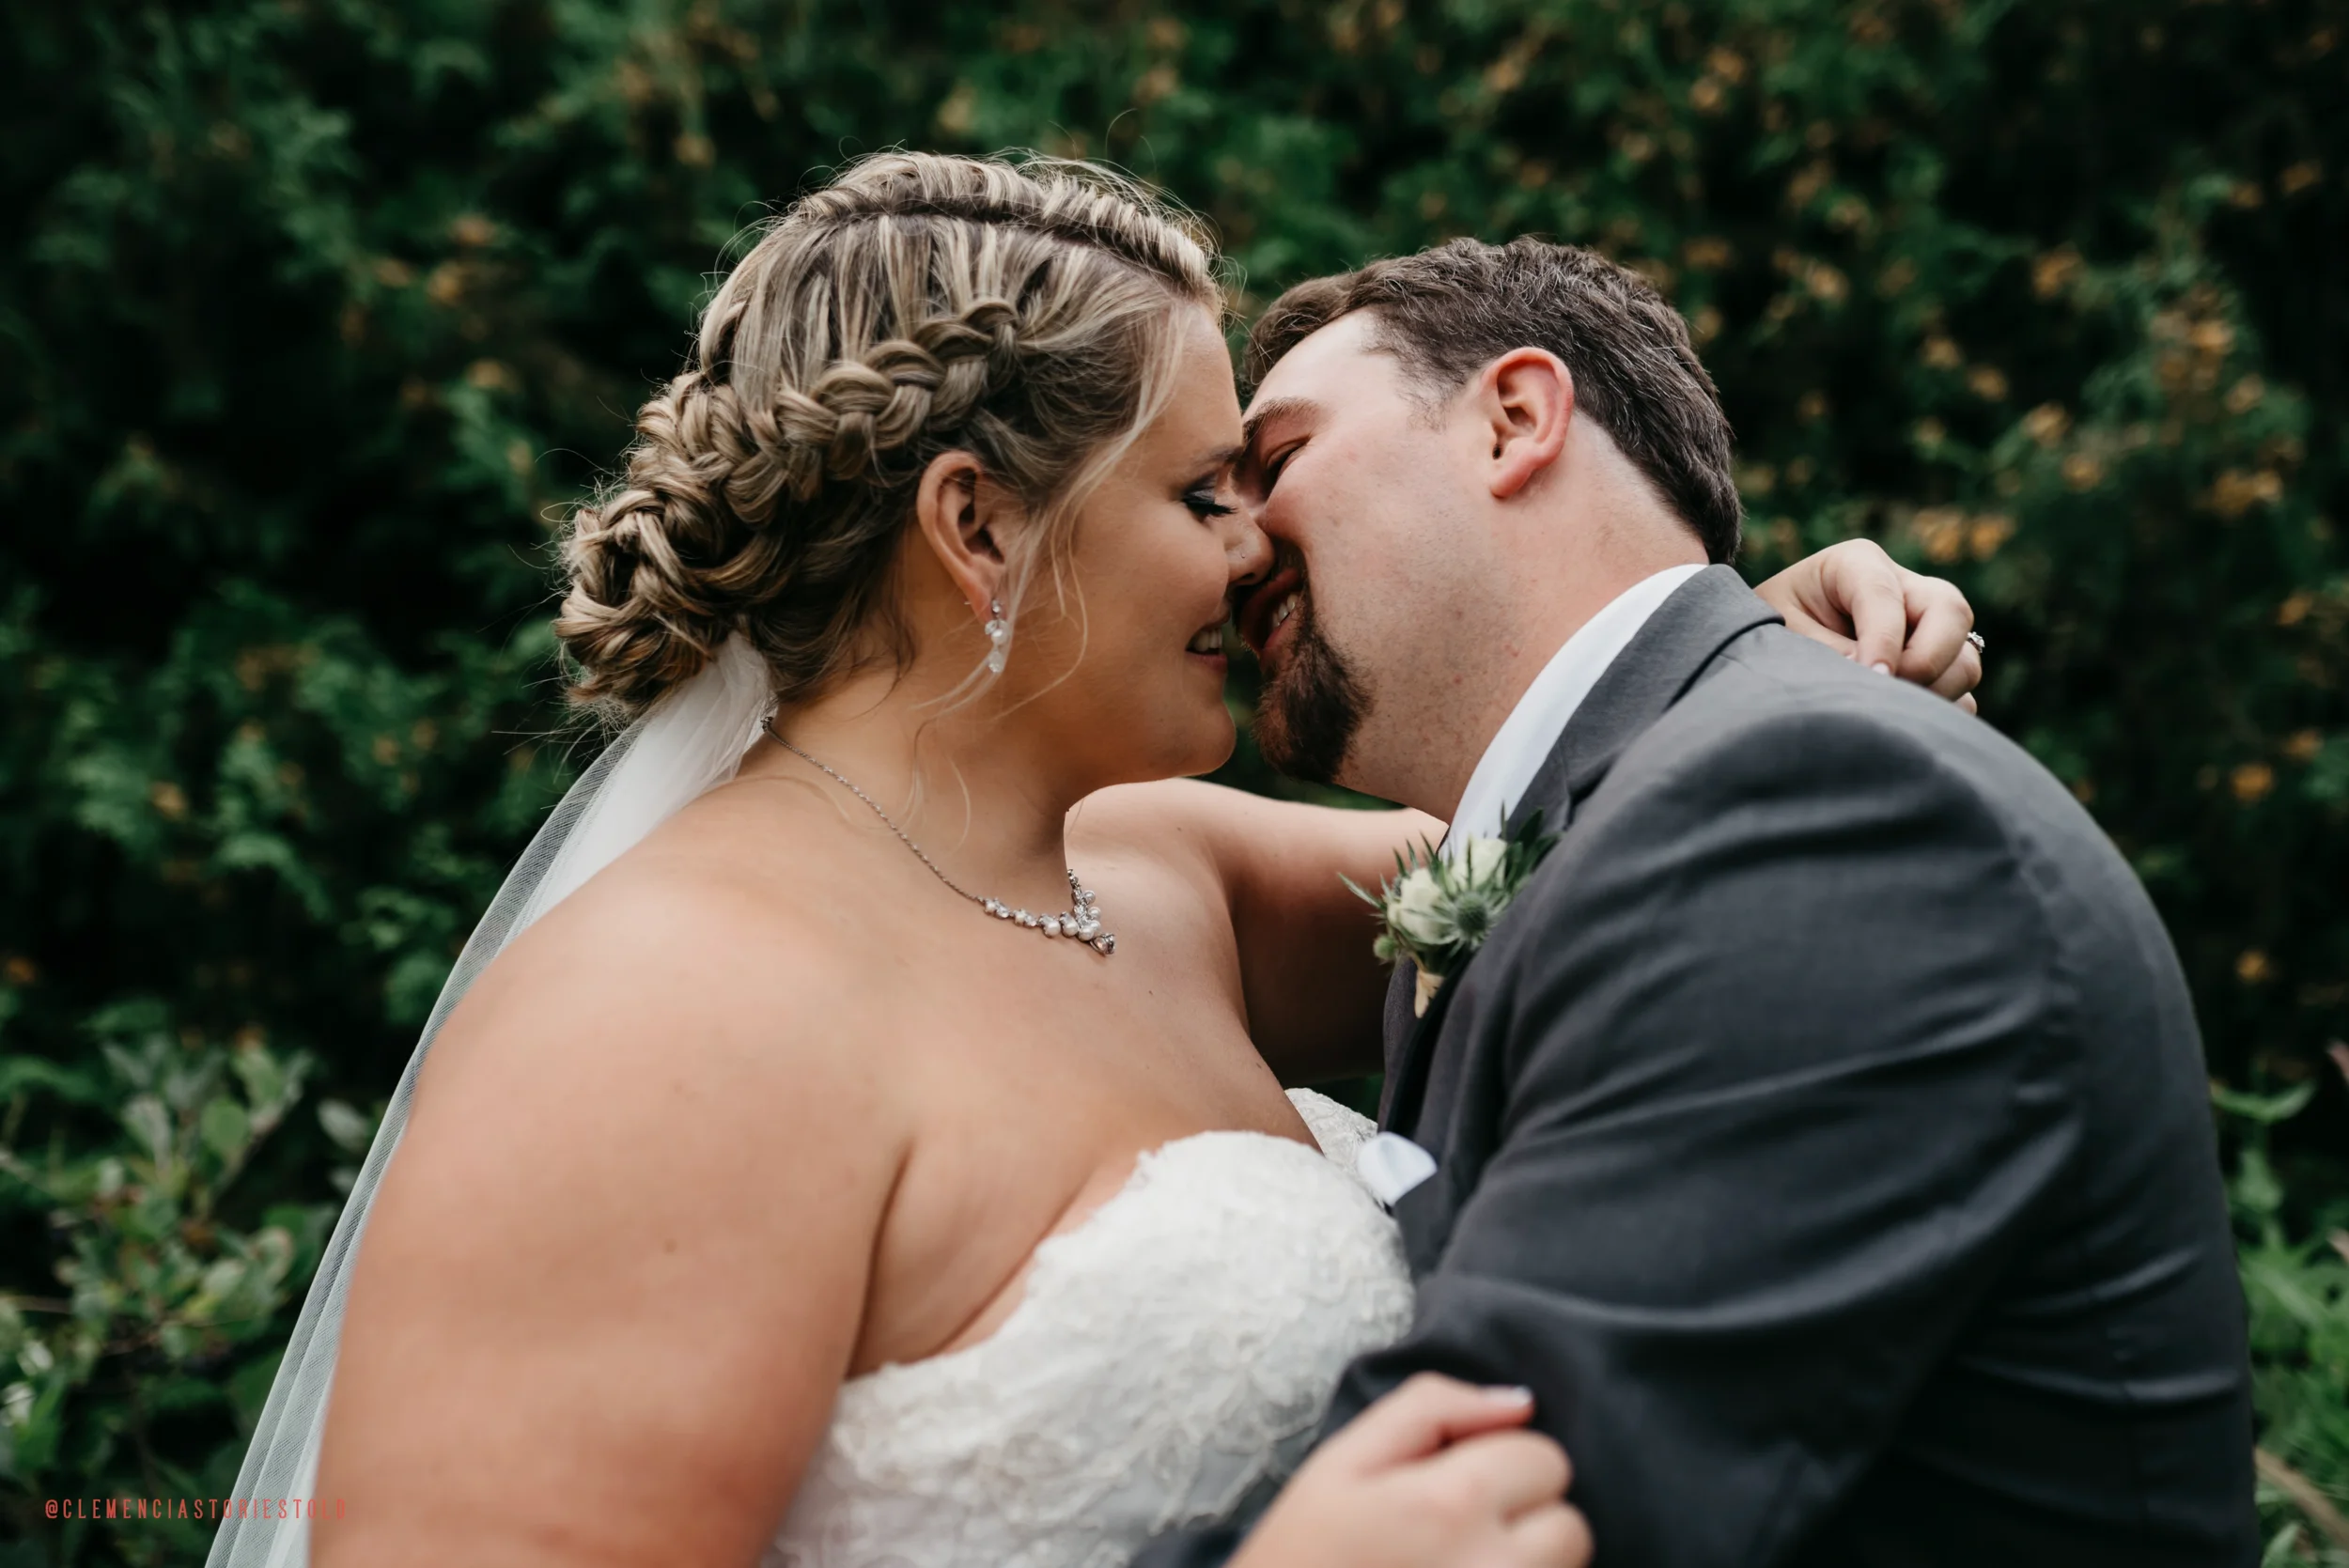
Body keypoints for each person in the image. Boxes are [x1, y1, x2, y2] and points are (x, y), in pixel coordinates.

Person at [206, 153, 1979, 1568]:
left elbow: (1608, 845)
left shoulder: (1166, 877)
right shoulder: (668, 1011)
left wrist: (1735, 649)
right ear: (979, 526)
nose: (1258, 552)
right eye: (1206, 492)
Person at [1136, 239, 2259, 1567]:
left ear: (1513, 420)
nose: (1238, 538)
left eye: (1276, 462)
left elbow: (1514, 1490)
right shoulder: (1631, 817)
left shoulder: (1814, 812)